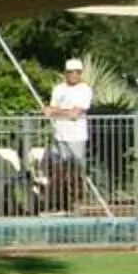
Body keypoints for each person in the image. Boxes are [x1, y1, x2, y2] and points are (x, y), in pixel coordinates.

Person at [42, 55, 93, 205]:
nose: (74, 75)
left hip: (77, 136)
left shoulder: (85, 90)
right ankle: (60, 202)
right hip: (59, 136)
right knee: (58, 172)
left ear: (81, 73)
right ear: (66, 73)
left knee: (76, 171)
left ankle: (78, 201)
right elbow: (53, 109)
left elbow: (75, 114)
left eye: (77, 72)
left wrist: (56, 112)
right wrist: (54, 111)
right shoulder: (58, 89)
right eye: (71, 72)